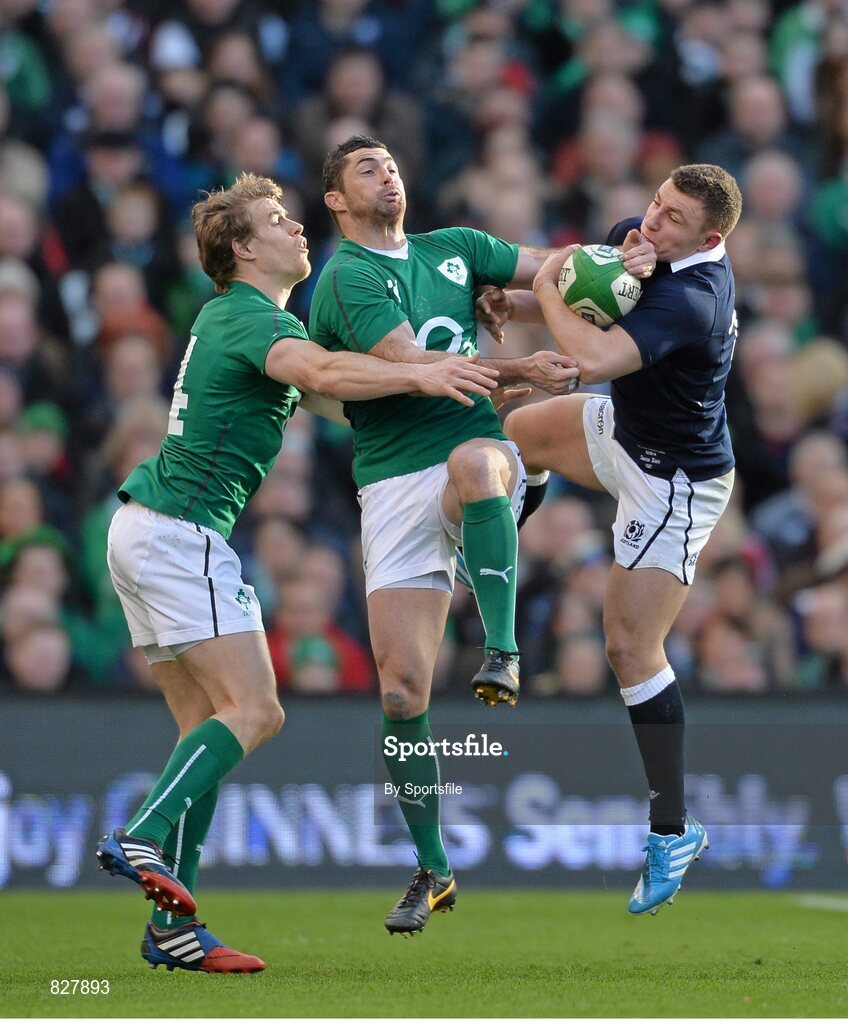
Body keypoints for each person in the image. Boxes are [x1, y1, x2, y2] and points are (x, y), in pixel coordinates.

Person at [96, 171, 501, 974]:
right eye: (277, 220)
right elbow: (326, 377)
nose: (297, 228)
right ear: (243, 248)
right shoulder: (247, 314)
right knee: (258, 709)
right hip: (181, 535)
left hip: (143, 530)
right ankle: (141, 834)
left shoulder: (252, 324)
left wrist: (503, 376)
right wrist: (420, 368)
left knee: (200, 732)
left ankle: (171, 933)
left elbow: (355, 401)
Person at [307, 135, 619, 936]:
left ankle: (503, 651)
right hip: (392, 482)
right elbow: (424, 369)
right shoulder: (347, 276)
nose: (389, 174)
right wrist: (526, 367)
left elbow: (552, 265)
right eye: (366, 168)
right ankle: (434, 870)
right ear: (337, 200)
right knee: (401, 692)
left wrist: (624, 257)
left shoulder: (457, 248)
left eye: (392, 162)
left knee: (482, 460)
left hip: (464, 460)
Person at [481, 163, 742, 916]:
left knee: (630, 647)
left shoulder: (696, 299)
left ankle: (672, 829)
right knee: (522, 431)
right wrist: (513, 302)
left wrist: (557, 274)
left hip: (674, 481)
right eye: (655, 203)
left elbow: (590, 357)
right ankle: (500, 550)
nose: (650, 222)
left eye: (669, 219)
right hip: (628, 433)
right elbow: (589, 302)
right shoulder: (652, 241)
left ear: (711, 237)